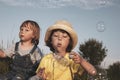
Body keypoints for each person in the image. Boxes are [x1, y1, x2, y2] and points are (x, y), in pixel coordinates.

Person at [29, 20, 96, 80]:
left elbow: (93, 72)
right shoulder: (46, 59)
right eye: (55, 36)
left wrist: (81, 61)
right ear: (51, 40)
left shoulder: (72, 59)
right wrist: (40, 77)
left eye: (64, 36)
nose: (60, 38)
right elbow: (39, 76)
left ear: (69, 41)